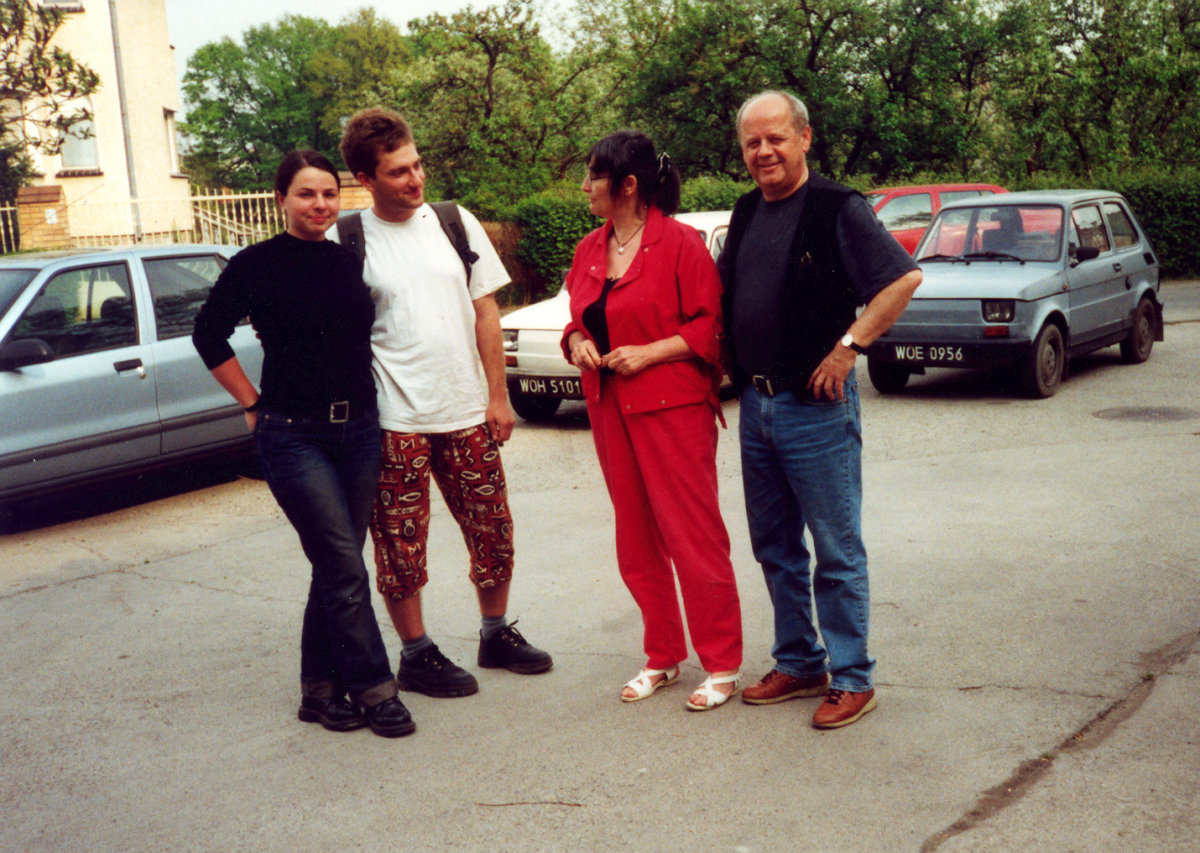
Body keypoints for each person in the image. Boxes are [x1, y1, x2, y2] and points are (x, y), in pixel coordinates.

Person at [333, 108, 552, 702]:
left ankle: (495, 633)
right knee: (400, 545)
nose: (416, 179)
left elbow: (486, 312)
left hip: (466, 411)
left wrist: (498, 398)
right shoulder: (346, 240)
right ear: (365, 179)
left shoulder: (455, 222)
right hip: (393, 420)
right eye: (399, 172)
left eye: (418, 164)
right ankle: (416, 654)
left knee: (493, 529)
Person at [718, 91, 922, 728]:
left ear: (804, 137)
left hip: (816, 410)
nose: (764, 151)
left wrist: (848, 348)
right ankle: (800, 662)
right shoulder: (747, 210)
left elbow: (902, 280)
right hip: (758, 404)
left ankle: (853, 676)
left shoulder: (839, 207)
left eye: (775, 138)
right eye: (752, 142)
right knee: (775, 546)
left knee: (835, 548)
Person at [193, 150, 414, 738]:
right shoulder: (255, 264)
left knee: (335, 564)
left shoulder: (345, 261)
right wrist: (251, 402)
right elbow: (207, 333)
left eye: (328, 194)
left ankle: (318, 692)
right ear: (281, 200)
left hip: (359, 430)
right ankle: (375, 689)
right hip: (293, 435)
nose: (320, 205)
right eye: (306, 194)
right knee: (342, 563)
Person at [562, 130, 743, 711]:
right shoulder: (589, 249)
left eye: (594, 175)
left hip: (673, 410)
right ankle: (662, 655)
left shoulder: (681, 244)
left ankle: (722, 663)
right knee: (635, 538)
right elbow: (578, 318)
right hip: (609, 408)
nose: (585, 186)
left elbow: (709, 326)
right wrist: (576, 343)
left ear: (628, 185)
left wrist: (649, 353)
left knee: (692, 534)